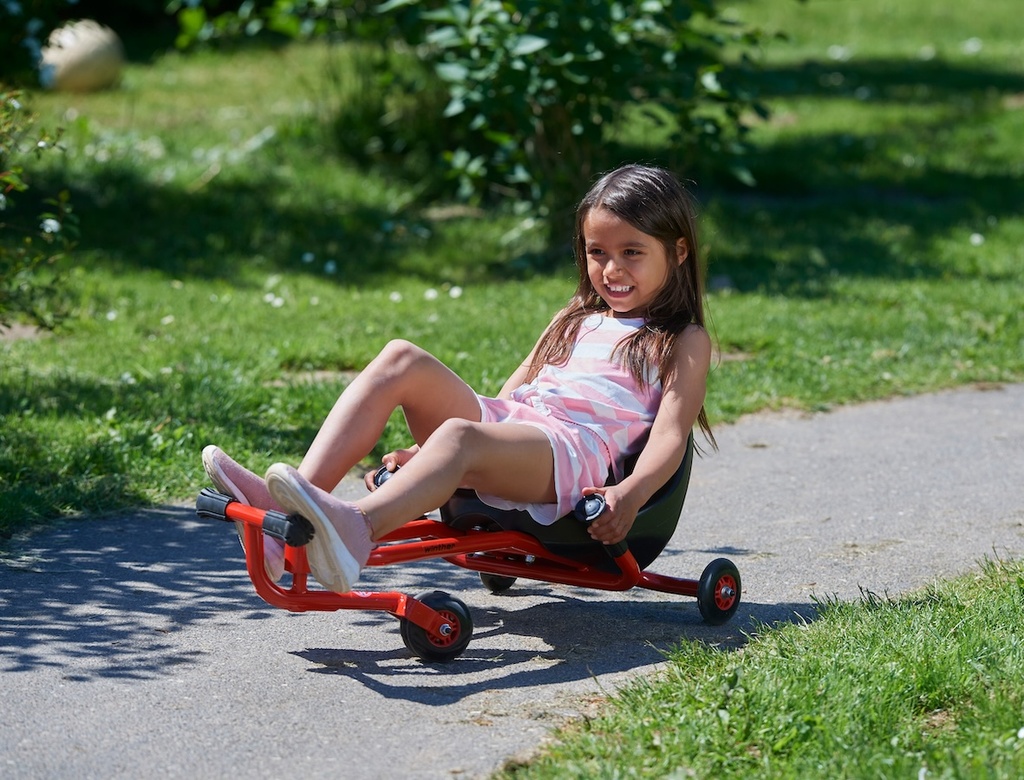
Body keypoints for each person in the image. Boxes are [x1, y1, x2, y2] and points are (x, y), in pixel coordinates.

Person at [202, 163, 716, 594]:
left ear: (678, 251)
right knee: (400, 358)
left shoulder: (679, 338)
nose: (610, 269)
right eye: (597, 252)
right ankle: (290, 509)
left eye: (632, 252)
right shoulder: (576, 316)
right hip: (521, 427)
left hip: (574, 457)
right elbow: (511, 395)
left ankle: (357, 530)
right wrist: (430, 463)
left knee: (459, 436)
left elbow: (670, 435)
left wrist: (628, 492)